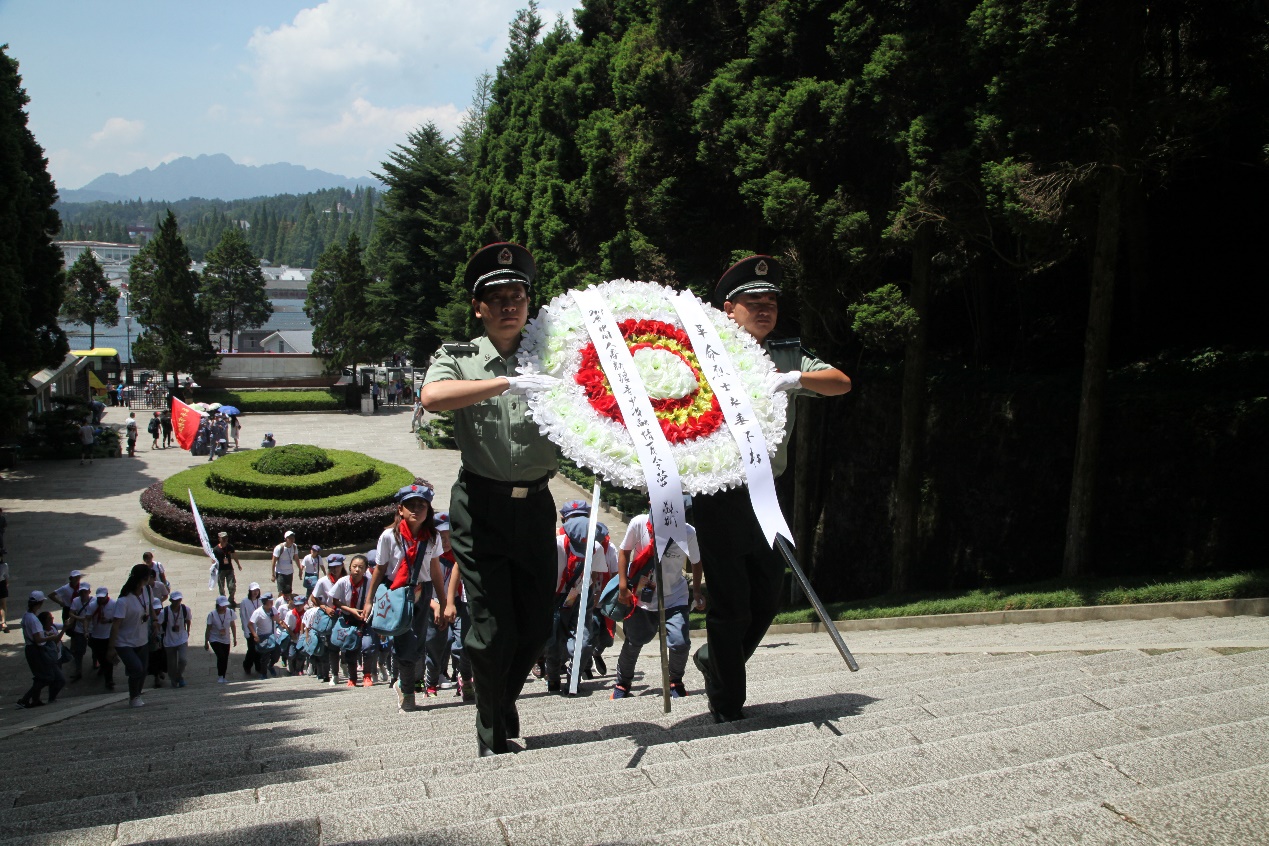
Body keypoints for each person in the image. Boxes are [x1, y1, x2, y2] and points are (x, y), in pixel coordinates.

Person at [691, 255, 852, 723]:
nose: (764, 310)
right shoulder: (701, 352)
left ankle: (715, 663)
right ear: (728, 308)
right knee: (730, 600)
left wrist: (795, 377)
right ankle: (727, 704)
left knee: (767, 597)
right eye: (752, 303)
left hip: (767, 493)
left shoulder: (787, 353)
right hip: (718, 492)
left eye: (770, 303)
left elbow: (840, 383)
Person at [419, 242, 561, 756]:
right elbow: (432, 398)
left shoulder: (554, 357)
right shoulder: (458, 358)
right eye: (496, 297)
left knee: (536, 626)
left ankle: (500, 699)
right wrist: (504, 384)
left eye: (517, 296)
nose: (508, 306)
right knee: (492, 625)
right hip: (480, 505)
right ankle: (492, 727)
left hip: (537, 505)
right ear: (478, 307)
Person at [610, 507, 703, 700]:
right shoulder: (639, 523)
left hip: (674, 597)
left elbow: (696, 561)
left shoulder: (687, 532)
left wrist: (696, 591)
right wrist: (623, 585)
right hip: (642, 599)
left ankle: (675, 680)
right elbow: (624, 552)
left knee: (680, 642)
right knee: (634, 642)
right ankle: (623, 682)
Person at [369, 483, 446, 709]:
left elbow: (435, 571)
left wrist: (442, 603)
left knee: (419, 641)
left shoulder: (432, 537)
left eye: (421, 505)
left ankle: (405, 682)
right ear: (400, 510)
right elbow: (380, 569)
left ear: (428, 510)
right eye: (410, 505)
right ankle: (407, 691)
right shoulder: (388, 537)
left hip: (423, 591)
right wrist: (368, 600)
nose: (416, 509)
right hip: (397, 592)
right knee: (405, 639)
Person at [544, 501, 612, 693]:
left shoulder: (592, 546)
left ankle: (566, 679)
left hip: (572, 596)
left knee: (571, 640)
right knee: (565, 639)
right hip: (568, 595)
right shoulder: (562, 545)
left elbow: (595, 575)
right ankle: (562, 679)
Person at [109, 564, 155, 707]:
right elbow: (116, 624)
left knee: (143, 670)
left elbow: (150, 607)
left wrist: (155, 621)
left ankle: (136, 696)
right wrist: (111, 648)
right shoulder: (123, 601)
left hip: (142, 639)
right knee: (136, 669)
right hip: (125, 642)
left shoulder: (147, 590)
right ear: (144, 578)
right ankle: (133, 695)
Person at [332, 554, 378, 688]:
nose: (357, 570)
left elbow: (375, 600)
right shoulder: (343, 582)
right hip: (348, 618)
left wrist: (365, 612)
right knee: (350, 649)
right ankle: (352, 678)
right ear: (350, 567)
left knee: (368, 646)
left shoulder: (370, 582)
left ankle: (367, 675)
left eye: (361, 567)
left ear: (365, 570)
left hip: (365, 618)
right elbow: (335, 601)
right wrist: (351, 610)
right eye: (354, 566)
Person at [16, 591, 65, 708]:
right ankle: (25, 699)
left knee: (42, 676)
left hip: (33, 648)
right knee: (46, 677)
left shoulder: (27, 615)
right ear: (40, 603)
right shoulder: (32, 619)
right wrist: (52, 637)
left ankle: (35, 699)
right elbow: (38, 639)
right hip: (36, 649)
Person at [87, 586, 115, 690]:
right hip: (96, 635)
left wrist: (108, 620)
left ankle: (109, 679)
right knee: (99, 655)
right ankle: (103, 667)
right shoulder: (92, 605)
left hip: (108, 635)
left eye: (102, 597)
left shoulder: (113, 604)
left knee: (109, 658)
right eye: (99, 597)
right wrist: (86, 630)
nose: (100, 599)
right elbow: (87, 618)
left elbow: (118, 618)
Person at [65, 581, 94, 681]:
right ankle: (78, 671)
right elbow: (71, 613)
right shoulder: (76, 601)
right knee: (78, 651)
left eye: (85, 592)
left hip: (92, 629)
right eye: (81, 592)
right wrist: (80, 618)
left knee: (95, 648)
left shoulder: (94, 601)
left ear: (89, 591)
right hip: (79, 629)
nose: (83, 594)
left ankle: (95, 662)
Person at [204, 595, 237, 683]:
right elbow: (208, 628)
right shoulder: (212, 615)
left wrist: (234, 638)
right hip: (214, 638)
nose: (224, 607)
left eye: (225, 605)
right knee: (221, 656)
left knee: (225, 658)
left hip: (225, 638)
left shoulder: (230, 612)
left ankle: (223, 676)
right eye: (222, 605)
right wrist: (206, 642)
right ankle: (220, 676)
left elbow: (233, 625)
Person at [162, 592, 191, 687]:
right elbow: (158, 623)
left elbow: (188, 620)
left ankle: (178, 676)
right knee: (171, 664)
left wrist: (187, 631)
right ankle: (174, 681)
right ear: (171, 601)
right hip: (169, 640)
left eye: (179, 600)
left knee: (183, 660)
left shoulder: (185, 609)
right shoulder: (165, 612)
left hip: (182, 638)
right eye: (175, 600)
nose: (177, 602)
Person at [248, 593, 280, 679]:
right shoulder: (258, 612)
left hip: (273, 635)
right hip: (263, 636)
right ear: (265, 602)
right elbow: (250, 624)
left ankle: (271, 665)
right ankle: (263, 673)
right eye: (270, 601)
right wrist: (255, 635)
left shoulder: (273, 609)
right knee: (264, 657)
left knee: (276, 654)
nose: (272, 603)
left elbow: (278, 620)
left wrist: (275, 619)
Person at [238, 582, 263, 677]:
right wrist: (246, 631)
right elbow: (243, 616)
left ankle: (258, 667)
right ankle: (247, 665)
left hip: (259, 629)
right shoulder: (244, 602)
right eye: (253, 591)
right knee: (252, 649)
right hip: (250, 629)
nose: (255, 593)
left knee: (259, 650)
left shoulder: (260, 600)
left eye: (257, 590)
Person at [213, 532, 242, 606]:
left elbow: (234, 556)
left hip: (229, 569)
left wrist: (238, 564)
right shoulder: (216, 549)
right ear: (219, 539)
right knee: (221, 587)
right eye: (223, 538)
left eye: (226, 538)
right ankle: (223, 601)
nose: (225, 540)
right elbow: (213, 560)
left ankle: (231, 599)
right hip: (220, 570)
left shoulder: (230, 547)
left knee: (232, 586)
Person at [272, 530, 299, 596]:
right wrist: (273, 574)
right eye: (290, 537)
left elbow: (296, 558)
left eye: (293, 537)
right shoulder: (279, 548)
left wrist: (300, 569)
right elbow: (273, 561)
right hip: (281, 572)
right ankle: (279, 604)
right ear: (286, 539)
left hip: (290, 572)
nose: (292, 539)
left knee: (288, 591)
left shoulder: (294, 547)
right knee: (281, 592)